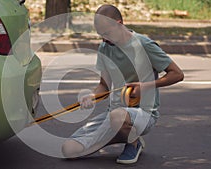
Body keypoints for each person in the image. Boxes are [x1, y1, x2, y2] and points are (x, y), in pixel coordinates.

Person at [61, 4, 184, 164]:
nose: (104, 39)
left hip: (144, 114)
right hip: (114, 115)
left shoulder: (144, 45)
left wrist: (145, 86)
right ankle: (120, 134)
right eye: (100, 35)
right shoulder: (105, 48)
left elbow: (177, 74)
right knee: (68, 150)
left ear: (119, 24)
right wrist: (91, 96)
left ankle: (133, 142)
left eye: (107, 33)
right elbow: (104, 86)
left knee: (117, 116)